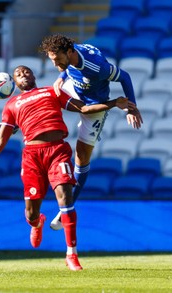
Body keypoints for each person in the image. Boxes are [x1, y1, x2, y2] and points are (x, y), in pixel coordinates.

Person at [0, 65, 131, 271]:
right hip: (32, 157)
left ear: (34, 75)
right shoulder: (11, 105)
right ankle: (37, 223)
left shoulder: (51, 91)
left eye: (26, 71)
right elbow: (0, 140)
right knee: (31, 213)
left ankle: (71, 254)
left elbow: (83, 108)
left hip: (57, 151)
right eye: (18, 74)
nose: (23, 74)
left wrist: (113, 103)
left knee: (65, 197)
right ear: (13, 84)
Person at [39, 34, 143, 230]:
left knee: (82, 156)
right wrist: (61, 77)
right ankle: (12, 126)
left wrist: (131, 107)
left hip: (96, 104)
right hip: (73, 89)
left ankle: (65, 210)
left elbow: (125, 76)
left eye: (57, 60)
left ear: (69, 52)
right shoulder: (68, 51)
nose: (54, 64)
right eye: (52, 60)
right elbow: (66, 65)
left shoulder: (96, 67)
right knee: (45, 97)